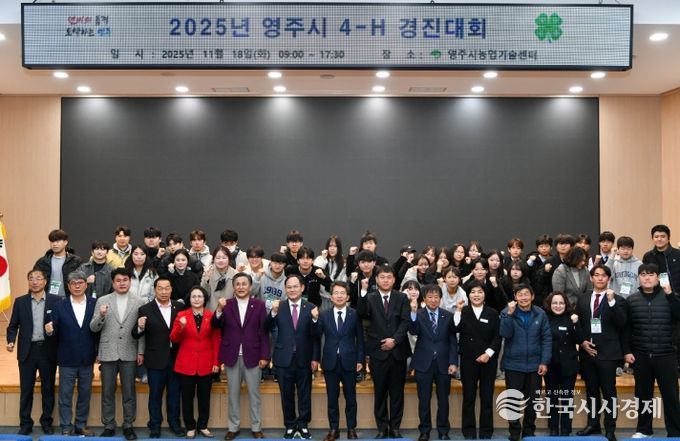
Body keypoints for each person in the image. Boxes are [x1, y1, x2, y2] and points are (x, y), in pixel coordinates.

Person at [623, 263, 680, 438]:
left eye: (651, 274)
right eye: (643, 275)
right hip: (640, 355)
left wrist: (670, 294)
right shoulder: (631, 300)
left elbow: (678, 315)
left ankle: (675, 431)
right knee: (642, 395)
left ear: (657, 277)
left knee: (671, 396)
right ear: (638, 278)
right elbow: (626, 329)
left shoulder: (669, 296)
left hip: (666, 354)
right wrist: (627, 351)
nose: (647, 278)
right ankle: (644, 430)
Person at [89, 267, 146, 440]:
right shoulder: (102, 300)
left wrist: (141, 352)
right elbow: (93, 327)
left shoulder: (139, 301)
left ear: (130, 281)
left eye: (125, 280)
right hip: (108, 352)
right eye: (118, 281)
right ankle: (109, 425)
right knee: (107, 392)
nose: (122, 283)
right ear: (113, 283)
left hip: (130, 351)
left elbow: (142, 330)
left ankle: (128, 425)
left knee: (129, 392)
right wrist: (101, 315)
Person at [212, 273, 269, 440]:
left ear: (250, 287)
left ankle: (256, 427)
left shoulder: (259, 305)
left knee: (254, 395)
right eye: (238, 284)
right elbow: (215, 325)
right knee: (233, 394)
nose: (241, 287)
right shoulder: (226, 304)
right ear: (234, 287)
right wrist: (219, 309)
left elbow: (264, 333)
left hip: (254, 356)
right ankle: (233, 427)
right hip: (232, 356)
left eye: (244, 284)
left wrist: (265, 356)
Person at [357, 265, 411, 439]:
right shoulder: (370, 297)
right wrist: (363, 291)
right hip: (378, 352)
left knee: (397, 393)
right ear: (377, 279)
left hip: (398, 352)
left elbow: (405, 321)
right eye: (382, 277)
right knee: (380, 392)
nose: (386, 280)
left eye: (389, 277)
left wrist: (394, 340)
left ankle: (395, 427)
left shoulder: (402, 297)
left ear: (394, 280)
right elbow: (361, 313)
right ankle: (382, 428)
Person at [574, 265, 627, 441]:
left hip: (608, 354)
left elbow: (622, 323)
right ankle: (593, 424)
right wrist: (582, 342)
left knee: (609, 393)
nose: (600, 278)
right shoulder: (583, 299)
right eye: (596, 275)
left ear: (609, 279)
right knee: (591, 392)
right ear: (591, 278)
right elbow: (578, 324)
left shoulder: (617, 300)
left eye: (603, 275)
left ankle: (610, 428)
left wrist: (611, 303)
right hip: (587, 353)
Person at [6, 269, 60, 435]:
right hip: (27, 352)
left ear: (45, 281)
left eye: (38, 278)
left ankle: (46, 422)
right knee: (26, 390)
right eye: (31, 278)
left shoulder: (56, 300)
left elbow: (61, 325)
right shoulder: (20, 301)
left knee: (48, 389)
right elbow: (13, 326)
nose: (34, 282)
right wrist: (11, 340)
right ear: (28, 281)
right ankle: (25, 424)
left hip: (47, 350)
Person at [267, 274, 320, 439]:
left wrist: (315, 320)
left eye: (295, 286)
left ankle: (303, 425)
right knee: (286, 394)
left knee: (305, 394)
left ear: (302, 288)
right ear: (285, 289)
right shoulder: (279, 306)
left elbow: (316, 336)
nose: (292, 290)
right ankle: (290, 425)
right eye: (289, 287)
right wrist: (272, 312)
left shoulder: (311, 307)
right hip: (283, 358)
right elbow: (266, 327)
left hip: (305, 358)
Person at [45, 270, 97, 436]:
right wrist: (50, 330)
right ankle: (66, 426)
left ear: (86, 285)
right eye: (73, 283)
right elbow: (54, 329)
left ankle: (80, 424)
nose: (77, 286)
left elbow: (98, 330)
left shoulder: (94, 303)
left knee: (85, 394)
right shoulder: (59, 306)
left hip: (87, 357)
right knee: (65, 395)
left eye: (80, 283)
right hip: (66, 358)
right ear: (68, 286)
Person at [131, 277, 185, 438]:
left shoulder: (179, 307)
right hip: (155, 360)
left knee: (174, 395)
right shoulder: (145, 309)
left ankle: (175, 424)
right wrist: (140, 327)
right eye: (160, 288)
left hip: (176, 359)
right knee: (155, 395)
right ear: (155, 290)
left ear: (171, 289)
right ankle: (155, 426)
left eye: (167, 288)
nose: (163, 291)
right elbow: (135, 334)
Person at [312, 281, 364, 441]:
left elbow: (360, 339)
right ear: (331, 296)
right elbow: (316, 335)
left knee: (351, 398)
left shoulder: (354, 314)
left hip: (350, 361)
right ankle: (333, 429)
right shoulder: (324, 314)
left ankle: (351, 428)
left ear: (347, 297)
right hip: (330, 362)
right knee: (332, 398)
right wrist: (315, 320)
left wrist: (360, 359)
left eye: (342, 293)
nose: (339, 296)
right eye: (336, 293)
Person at [499, 284, 552, 441]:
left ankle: (529, 432)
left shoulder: (540, 314)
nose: (523, 297)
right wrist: (509, 315)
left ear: (532, 296)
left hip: (535, 366)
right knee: (513, 401)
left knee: (533, 402)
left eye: (526, 294)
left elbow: (546, 339)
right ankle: (514, 432)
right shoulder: (507, 312)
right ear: (515, 297)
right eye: (520, 294)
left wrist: (544, 362)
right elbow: (505, 333)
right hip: (513, 365)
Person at [170, 286, 221, 439]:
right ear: (189, 299)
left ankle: (203, 426)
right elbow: (173, 339)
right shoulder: (181, 315)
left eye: (200, 296)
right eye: (193, 296)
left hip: (206, 363)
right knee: (187, 398)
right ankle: (190, 427)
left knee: (204, 397)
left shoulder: (211, 316)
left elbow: (216, 340)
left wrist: (216, 362)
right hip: (186, 364)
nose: (197, 299)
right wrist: (181, 327)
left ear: (204, 299)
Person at [408, 284, 457, 441]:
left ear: (440, 299)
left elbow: (452, 341)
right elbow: (413, 331)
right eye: (430, 297)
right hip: (423, 363)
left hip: (444, 363)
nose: (433, 300)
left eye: (436, 297)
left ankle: (443, 430)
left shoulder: (447, 315)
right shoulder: (418, 314)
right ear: (424, 299)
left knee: (443, 400)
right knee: (424, 400)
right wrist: (413, 312)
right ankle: (424, 430)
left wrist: (453, 362)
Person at [454, 280, 501, 440]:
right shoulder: (463, 311)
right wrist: (458, 311)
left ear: (485, 294)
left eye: (480, 292)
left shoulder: (492, 313)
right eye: (473, 292)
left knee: (486, 397)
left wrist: (488, 353)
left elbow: (497, 337)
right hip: (468, 360)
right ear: (468, 295)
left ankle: (486, 432)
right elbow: (454, 328)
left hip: (488, 361)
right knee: (469, 397)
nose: (476, 295)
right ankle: (469, 431)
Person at [543, 291, 581, 437]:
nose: (558, 306)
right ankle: (553, 427)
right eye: (555, 303)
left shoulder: (572, 318)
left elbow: (580, 339)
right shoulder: (545, 318)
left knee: (567, 398)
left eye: (561, 303)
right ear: (549, 304)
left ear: (566, 304)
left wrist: (576, 324)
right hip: (551, 365)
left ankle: (566, 429)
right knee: (551, 397)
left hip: (569, 365)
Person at [33, 229, 82, 297]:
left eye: (57, 241)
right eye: (52, 242)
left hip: (68, 298)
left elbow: (82, 282)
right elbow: (34, 281)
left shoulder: (75, 261)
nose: (54, 244)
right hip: (48, 298)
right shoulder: (42, 261)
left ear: (65, 242)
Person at [201, 246, 237, 311]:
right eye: (217, 258)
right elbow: (203, 295)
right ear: (213, 259)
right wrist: (206, 280)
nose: (221, 260)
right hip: (211, 311)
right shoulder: (208, 272)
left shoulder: (235, 275)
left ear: (229, 259)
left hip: (230, 312)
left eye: (224, 258)